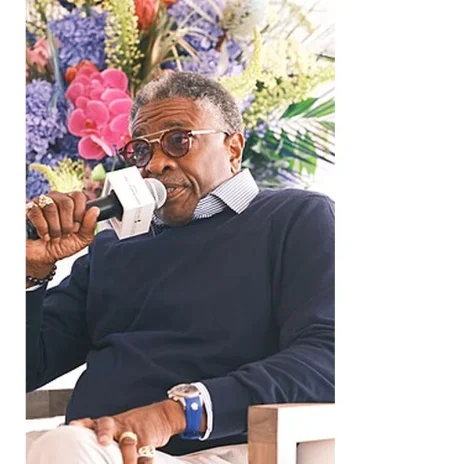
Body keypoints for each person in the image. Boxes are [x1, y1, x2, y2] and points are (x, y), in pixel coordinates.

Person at [25, 72, 335, 464]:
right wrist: (31, 273)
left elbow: (329, 356)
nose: (156, 163)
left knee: (63, 447)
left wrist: (173, 414)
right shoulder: (112, 247)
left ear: (233, 149)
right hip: (91, 445)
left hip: (219, 450)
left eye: (178, 140)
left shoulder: (295, 218)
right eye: (141, 150)